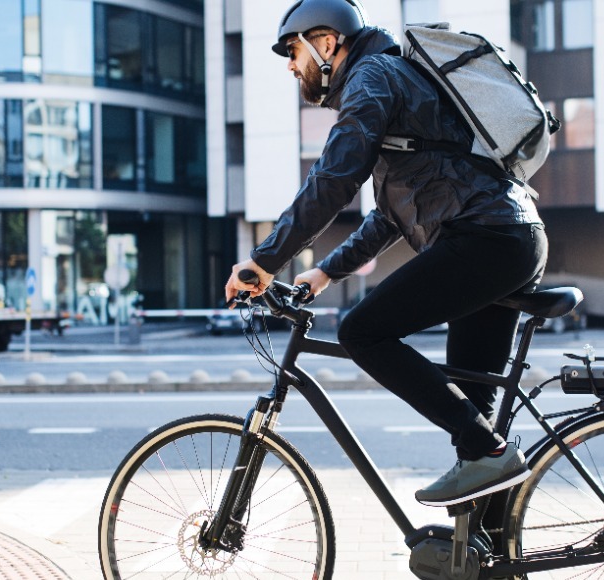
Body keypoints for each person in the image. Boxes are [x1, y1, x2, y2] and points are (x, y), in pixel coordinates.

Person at [224, 0, 548, 507]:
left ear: (326, 42)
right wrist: (326, 272)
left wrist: (265, 260)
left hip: (486, 240)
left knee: (362, 331)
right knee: (472, 423)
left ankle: (486, 455)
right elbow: (390, 215)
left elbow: (333, 179)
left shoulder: (371, 77)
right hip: (505, 237)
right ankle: (486, 549)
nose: (291, 65)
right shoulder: (393, 79)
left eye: (293, 51)